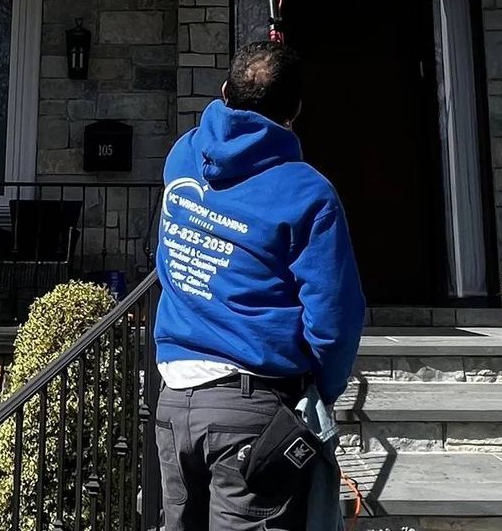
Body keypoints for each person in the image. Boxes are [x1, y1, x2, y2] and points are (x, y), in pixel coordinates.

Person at [153, 37, 366, 531]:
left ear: (224, 89)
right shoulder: (306, 191)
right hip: (248, 411)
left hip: (172, 403)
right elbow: (335, 316)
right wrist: (322, 389)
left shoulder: (184, 156)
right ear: (294, 111)